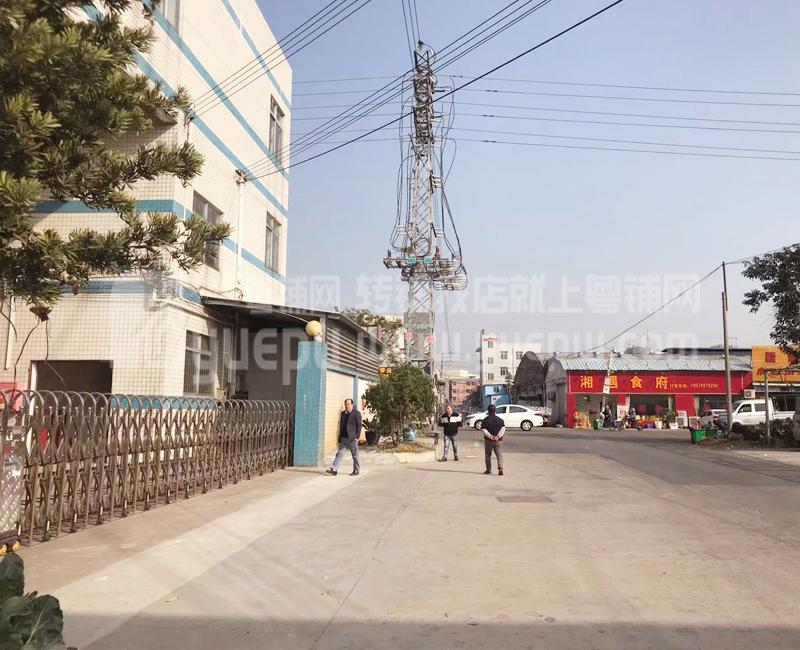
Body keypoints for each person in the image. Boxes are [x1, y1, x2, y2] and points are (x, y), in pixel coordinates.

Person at [326, 399, 362, 476]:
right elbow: (341, 426)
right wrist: (339, 437)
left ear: (352, 405)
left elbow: (359, 426)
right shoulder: (343, 413)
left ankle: (356, 470)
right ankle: (334, 469)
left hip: (352, 438)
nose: (347, 406)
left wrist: (357, 437)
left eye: (348, 404)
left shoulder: (356, 413)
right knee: (339, 453)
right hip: (343, 438)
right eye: (346, 404)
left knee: (355, 455)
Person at [481, 403, 505, 476]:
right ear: (495, 410)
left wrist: (490, 436)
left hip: (488, 441)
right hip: (498, 440)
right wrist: (497, 436)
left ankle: (488, 470)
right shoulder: (500, 420)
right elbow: (503, 429)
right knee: (499, 455)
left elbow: (484, 430)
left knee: (488, 455)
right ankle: (500, 468)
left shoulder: (485, 420)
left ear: (488, 411)